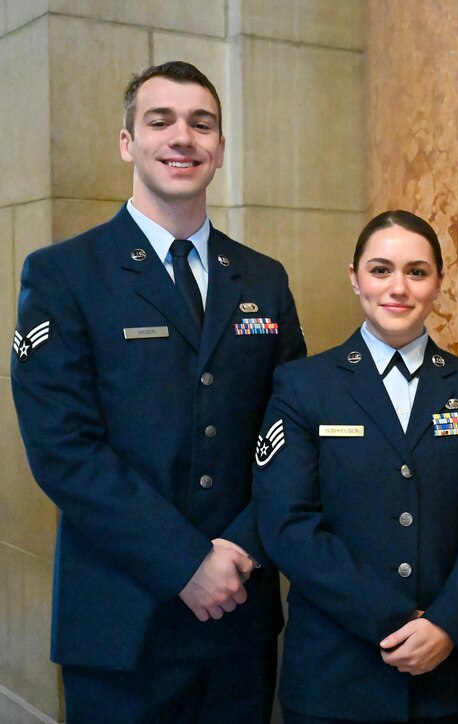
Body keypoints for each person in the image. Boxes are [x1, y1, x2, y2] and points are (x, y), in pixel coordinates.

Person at [9, 61, 306, 723]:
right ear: (127, 141)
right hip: (120, 623)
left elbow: (289, 437)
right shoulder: (63, 274)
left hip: (239, 612)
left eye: (201, 124)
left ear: (221, 148)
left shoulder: (263, 280)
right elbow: (64, 451)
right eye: (160, 120)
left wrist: (239, 550)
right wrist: (186, 561)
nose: (183, 137)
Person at [252, 210, 458, 723]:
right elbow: (289, 524)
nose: (398, 287)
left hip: (453, 675)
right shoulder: (303, 388)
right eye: (381, 270)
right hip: (338, 675)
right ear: (354, 276)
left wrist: (445, 623)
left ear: (439, 283)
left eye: (417, 272)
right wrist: (393, 620)